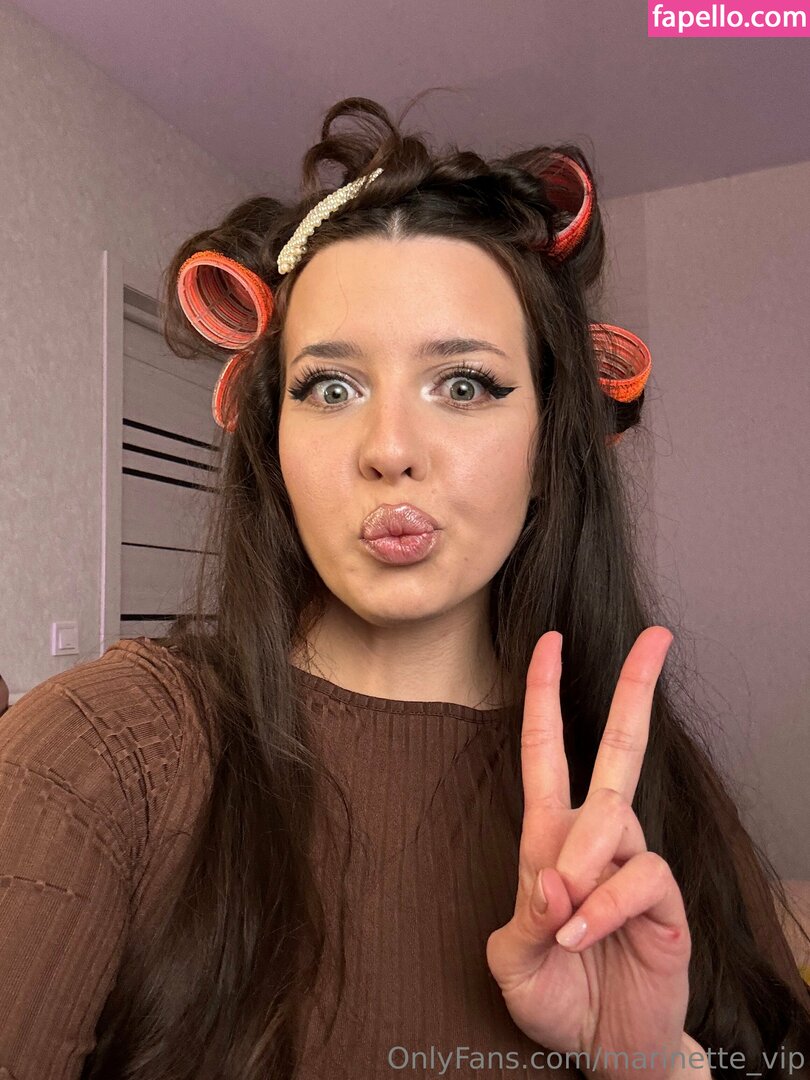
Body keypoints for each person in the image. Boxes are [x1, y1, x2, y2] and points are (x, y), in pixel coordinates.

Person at [1, 93, 808, 1080]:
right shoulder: (102, 752)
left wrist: (658, 1065)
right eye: (330, 387)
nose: (388, 449)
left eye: (463, 384)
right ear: (274, 441)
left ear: (549, 447)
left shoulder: (647, 786)